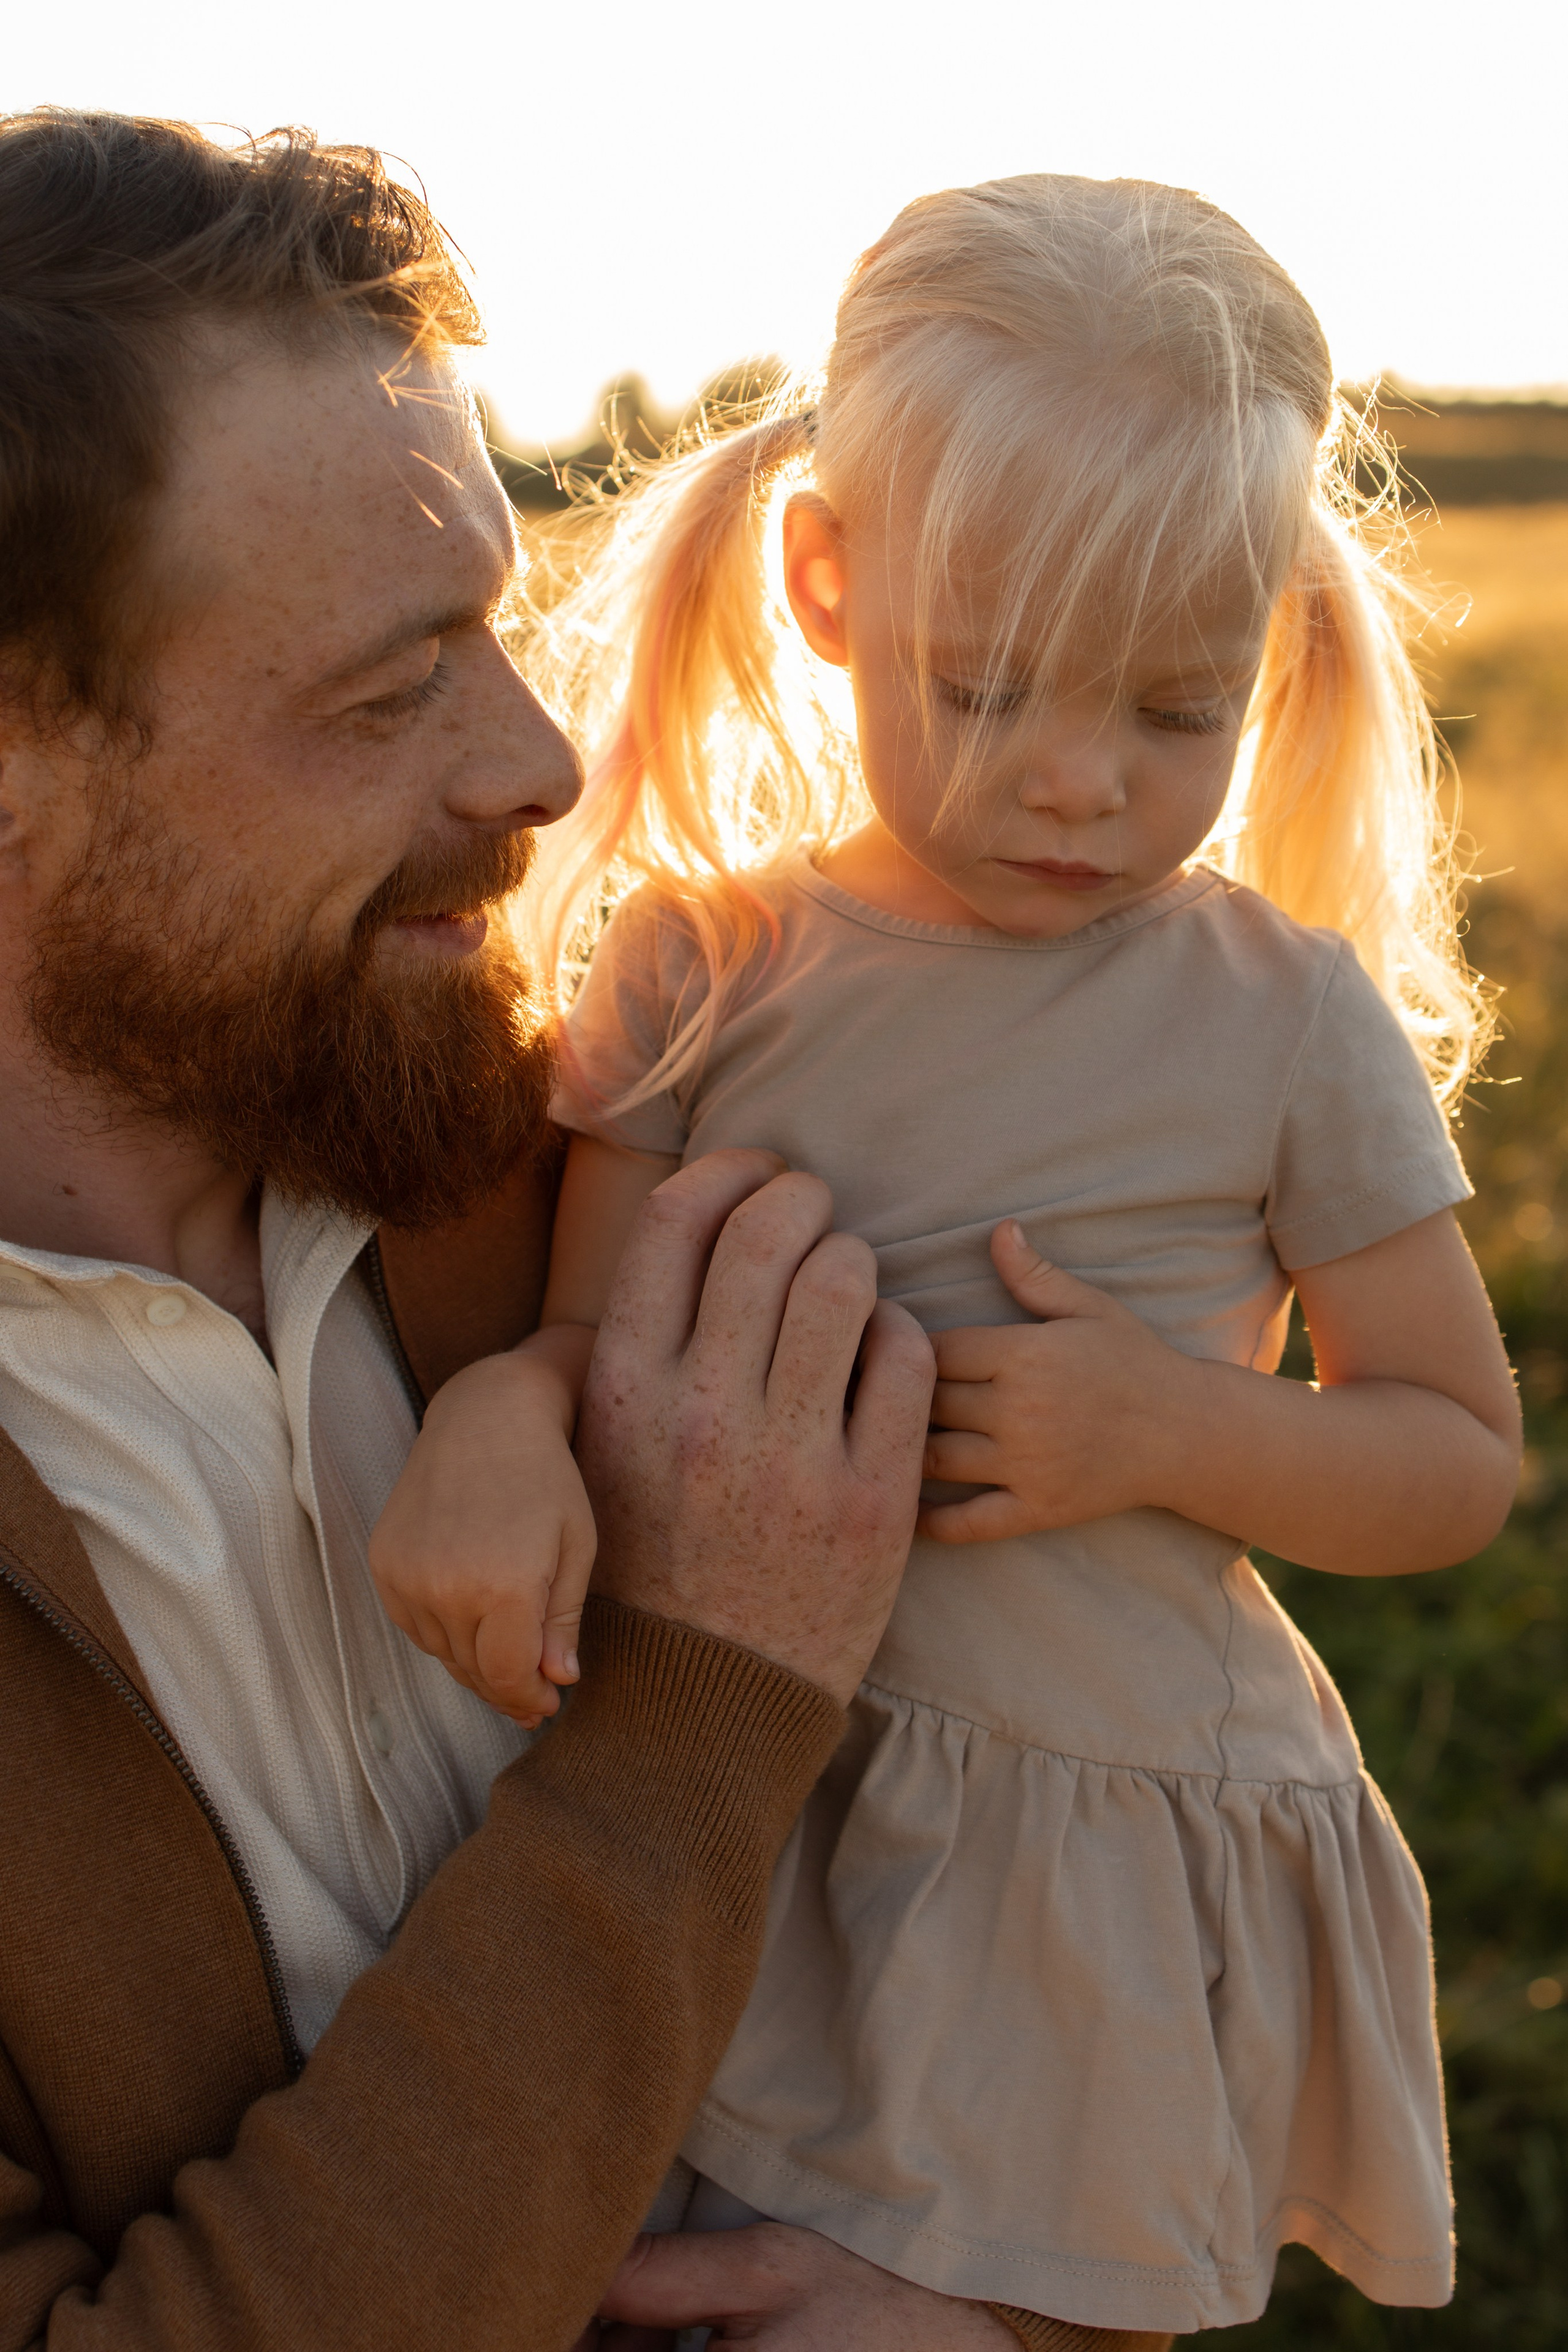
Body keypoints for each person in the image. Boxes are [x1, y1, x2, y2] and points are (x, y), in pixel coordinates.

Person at [371, 175, 1523, 2337]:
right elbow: (583, 1340)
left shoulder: (1280, 1018)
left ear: (1272, 652)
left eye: (1176, 711)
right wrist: (499, 1431)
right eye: (988, 689)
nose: (1081, 785)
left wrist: (1167, 1428)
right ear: (829, 580)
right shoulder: (703, 967)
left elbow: (1454, 1458)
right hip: (742, 1819)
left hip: (1088, 1882)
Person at [0, 110, 1094, 2352]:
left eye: (494, 629)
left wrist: (1020, 2314)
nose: (540, 765)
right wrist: (702, 1708)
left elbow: (1122, 1812)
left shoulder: (614, 1175)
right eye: (388, 686)